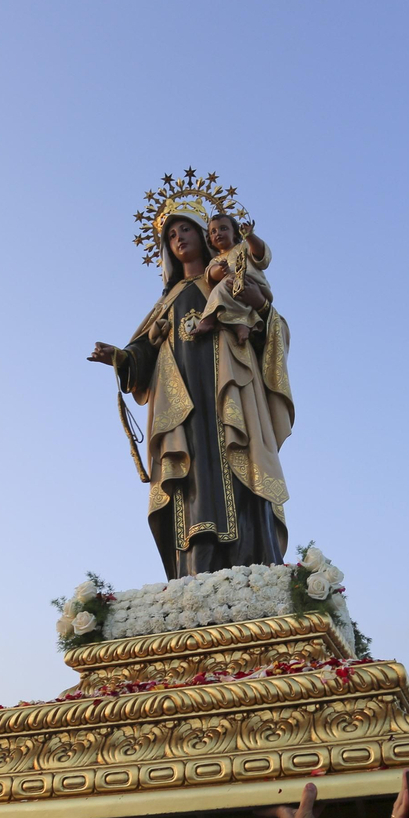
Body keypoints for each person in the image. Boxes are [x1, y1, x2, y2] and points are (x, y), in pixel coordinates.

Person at [90, 194, 294, 580]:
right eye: (170, 235)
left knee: (241, 467)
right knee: (193, 477)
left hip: (230, 393)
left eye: (186, 229)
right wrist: (121, 357)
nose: (179, 238)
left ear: (207, 234)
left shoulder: (230, 274)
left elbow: (272, 327)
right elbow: (142, 352)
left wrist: (262, 309)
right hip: (183, 407)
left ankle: (256, 567)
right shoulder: (168, 300)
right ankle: (196, 573)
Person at [195, 215, 272, 345]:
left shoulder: (244, 247)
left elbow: (261, 255)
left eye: (223, 228)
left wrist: (250, 236)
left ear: (235, 232)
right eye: (213, 232)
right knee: (226, 290)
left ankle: (207, 320)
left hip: (250, 282)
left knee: (222, 287)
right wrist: (220, 270)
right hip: (231, 289)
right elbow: (211, 273)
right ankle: (240, 326)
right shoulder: (216, 260)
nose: (218, 233)